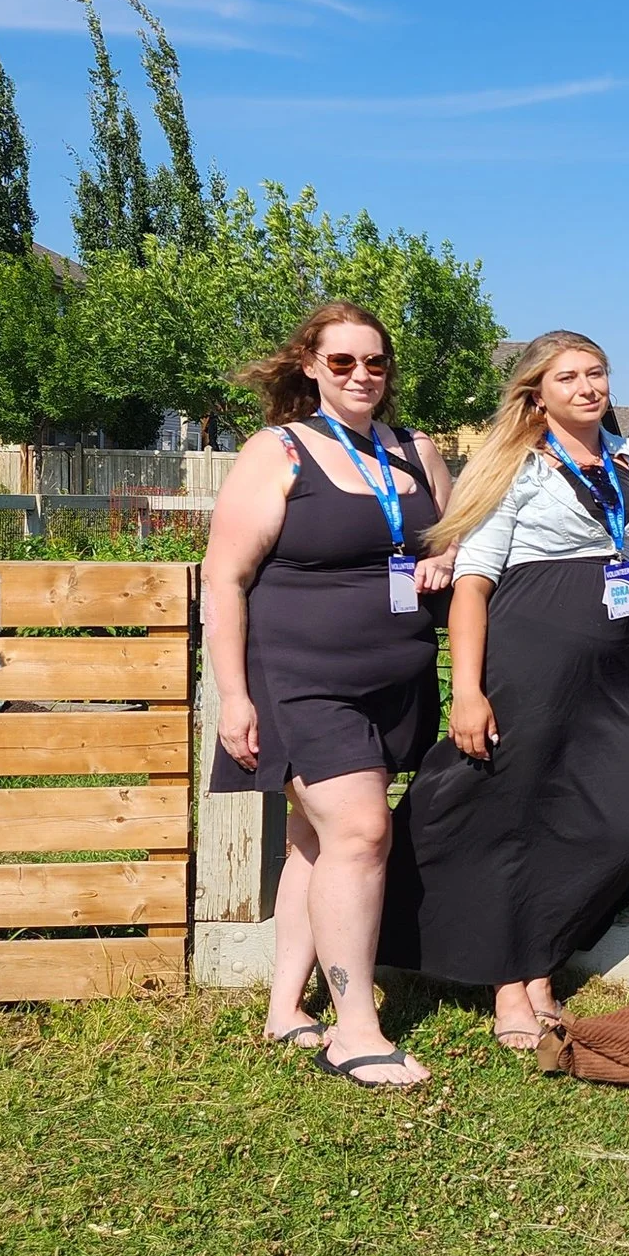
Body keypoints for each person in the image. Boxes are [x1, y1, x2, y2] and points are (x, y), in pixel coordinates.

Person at [381, 333, 629, 1051]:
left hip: (609, 667)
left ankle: (538, 952)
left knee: (620, 821)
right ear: (537, 392)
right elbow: (473, 582)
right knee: (509, 812)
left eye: (597, 373)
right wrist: (468, 688)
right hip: (526, 656)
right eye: (569, 377)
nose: (588, 387)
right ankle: (518, 979)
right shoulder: (516, 466)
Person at [203, 302, 455, 1089]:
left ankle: (286, 1007)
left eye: (374, 362)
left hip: (395, 679)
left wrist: (446, 558)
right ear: (310, 365)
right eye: (342, 362)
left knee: (317, 841)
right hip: (300, 680)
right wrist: (234, 697)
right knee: (360, 832)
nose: (360, 376)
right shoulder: (276, 451)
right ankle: (354, 1030)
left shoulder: (417, 451)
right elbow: (225, 576)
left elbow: (453, 535)